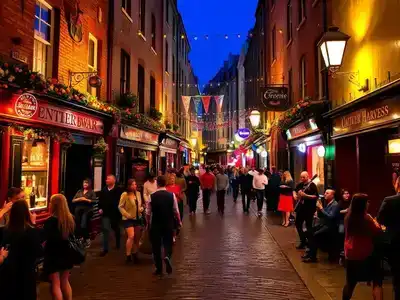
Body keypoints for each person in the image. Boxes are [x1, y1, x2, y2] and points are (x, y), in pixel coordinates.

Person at [342, 194, 383, 300]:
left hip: (350, 254)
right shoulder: (366, 218)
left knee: (350, 283)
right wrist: (375, 222)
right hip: (366, 254)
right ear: (363, 204)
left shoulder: (348, 217)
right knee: (377, 280)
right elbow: (377, 231)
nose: (368, 203)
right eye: (367, 202)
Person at [0, 200, 42, 300]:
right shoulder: (30, 232)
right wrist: (33, 223)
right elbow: (39, 252)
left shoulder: (6, 231)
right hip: (26, 274)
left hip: (9, 273)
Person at [146, 176, 182, 276]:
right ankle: (167, 256)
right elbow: (176, 211)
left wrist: (148, 224)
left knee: (156, 246)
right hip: (168, 223)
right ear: (165, 183)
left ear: (157, 184)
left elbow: (148, 213)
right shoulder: (171, 195)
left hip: (156, 223)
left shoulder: (152, 196)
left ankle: (159, 268)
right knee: (168, 243)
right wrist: (179, 222)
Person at [44, 194, 75, 300]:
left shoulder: (50, 221)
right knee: (65, 281)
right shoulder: (70, 219)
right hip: (67, 253)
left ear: (54, 205)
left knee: (55, 284)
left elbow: (45, 237)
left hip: (53, 254)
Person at [377, 179, 400, 300]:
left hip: (395, 241)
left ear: (397, 185)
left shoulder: (389, 200)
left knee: (397, 275)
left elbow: (380, 219)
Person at [303, 189, 339, 263]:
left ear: (332, 195)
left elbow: (330, 217)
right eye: (325, 192)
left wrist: (321, 208)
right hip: (324, 224)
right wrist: (318, 213)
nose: (325, 194)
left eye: (327, 193)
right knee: (309, 231)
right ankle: (310, 253)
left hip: (330, 227)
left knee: (315, 235)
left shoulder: (335, 204)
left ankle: (312, 257)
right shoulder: (327, 202)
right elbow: (324, 215)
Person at [119, 179, 144, 264]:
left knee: (137, 238)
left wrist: (141, 209)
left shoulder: (138, 194)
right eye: (133, 185)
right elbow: (120, 206)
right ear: (129, 186)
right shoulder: (125, 194)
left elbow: (140, 205)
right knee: (131, 236)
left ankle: (135, 254)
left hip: (137, 218)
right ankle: (128, 255)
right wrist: (126, 214)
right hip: (128, 219)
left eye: (135, 184)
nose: (135, 186)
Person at [98, 175, 122, 256]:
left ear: (114, 180)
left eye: (109, 179)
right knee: (105, 230)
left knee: (116, 228)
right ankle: (105, 249)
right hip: (105, 213)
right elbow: (100, 200)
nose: (106, 180)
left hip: (115, 214)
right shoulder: (104, 190)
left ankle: (118, 242)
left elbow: (120, 202)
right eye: (106, 179)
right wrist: (100, 208)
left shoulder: (118, 190)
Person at [294, 171, 319, 249]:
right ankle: (303, 241)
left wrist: (306, 195)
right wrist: (295, 195)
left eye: (303, 177)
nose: (302, 179)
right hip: (300, 208)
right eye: (301, 177)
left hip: (309, 209)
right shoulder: (300, 184)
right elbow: (294, 190)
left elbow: (315, 196)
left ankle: (310, 243)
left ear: (308, 176)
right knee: (298, 224)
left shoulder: (312, 185)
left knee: (309, 226)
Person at [72, 179, 97, 247]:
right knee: (78, 225)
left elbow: (94, 201)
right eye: (84, 183)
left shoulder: (91, 192)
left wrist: (86, 200)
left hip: (87, 210)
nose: (85, 185)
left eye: (86, 183)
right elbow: (73, 200)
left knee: (84, 225)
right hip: (78, 210)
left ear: (89, 184)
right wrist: (79, 199)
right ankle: (81, 239)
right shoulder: (79, 191)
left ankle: (87, 239)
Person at [166, 173, 183, 241]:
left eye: (173, 179)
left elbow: (181, 197)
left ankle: (176, 230)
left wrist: (178, 195)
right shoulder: (166, 187)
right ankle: (173, 235)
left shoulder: (178, 187)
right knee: (172, 220)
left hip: (178, 204)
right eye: (171, 179)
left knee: (179, 218)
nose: (172, 180)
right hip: (170, 206)